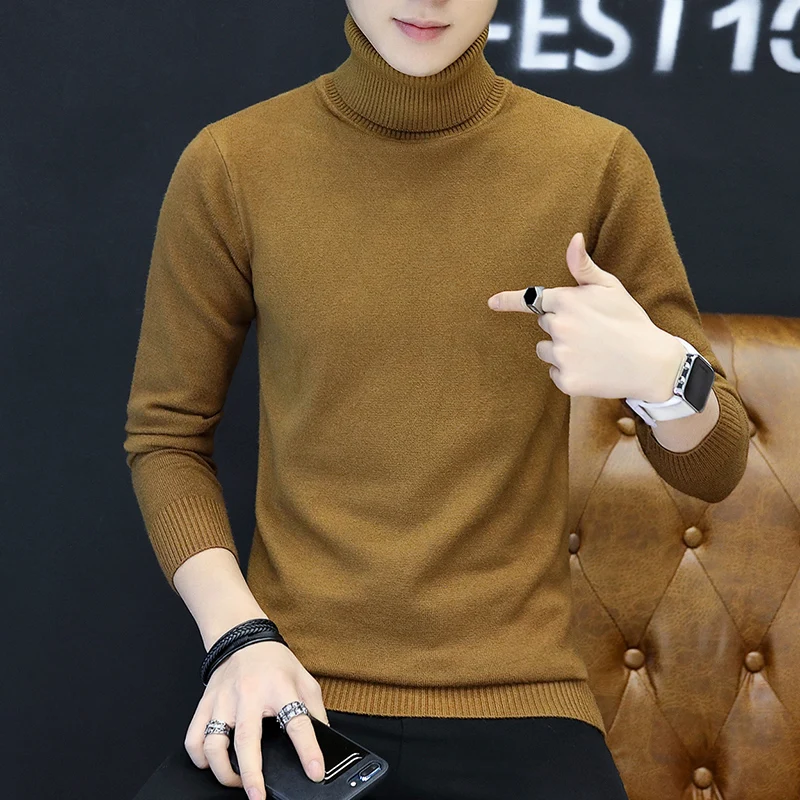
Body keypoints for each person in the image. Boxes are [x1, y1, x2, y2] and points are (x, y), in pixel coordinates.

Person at [123, 1, 750, 798]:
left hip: (523, 703)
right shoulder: (233, 163)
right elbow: (167, 435)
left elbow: (715, 466)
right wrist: (239, 638)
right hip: (293, 689)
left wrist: (664, 376)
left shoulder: (595, 162)